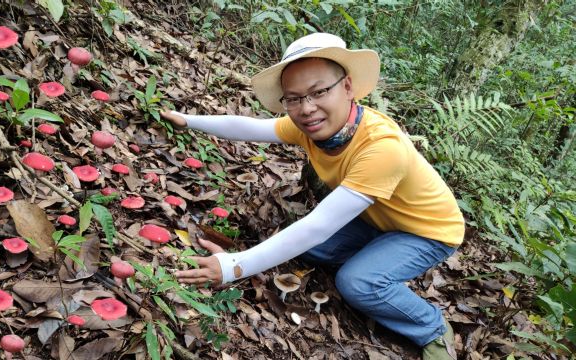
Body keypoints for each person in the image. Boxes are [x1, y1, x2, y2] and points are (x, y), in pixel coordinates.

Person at [161, 32, 463, 360]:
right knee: (314, 250)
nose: (307, 108)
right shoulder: (313, 126)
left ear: (347, 87)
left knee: (356, 283)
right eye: (294, 98)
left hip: (427, 231)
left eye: (319, 91)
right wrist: (188, 120)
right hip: (377, 218)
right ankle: (376, 255)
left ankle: (432, 328)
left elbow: (316, 225)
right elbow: (252, 128)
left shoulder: (381, 148)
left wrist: (235, 266)